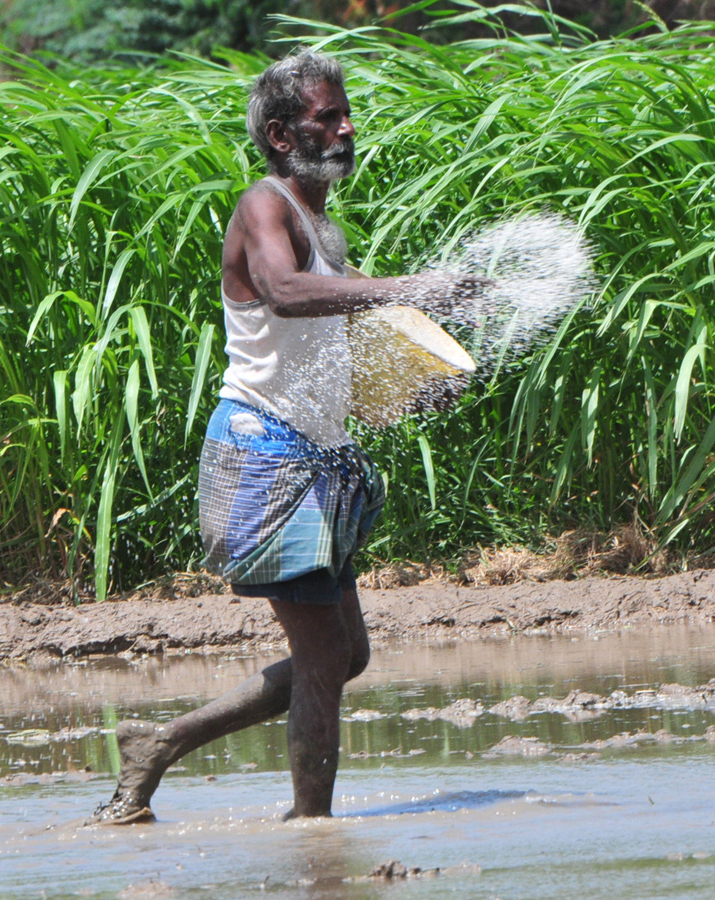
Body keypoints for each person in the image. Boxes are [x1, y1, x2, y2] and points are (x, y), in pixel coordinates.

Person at [90, 49, 482, 824]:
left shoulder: (321, 223)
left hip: (316, 458)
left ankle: (161, 742)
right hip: (266, 458)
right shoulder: (262, 206)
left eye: (344, 113)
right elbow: (286, 293)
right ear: (279, 134)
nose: (345, 127)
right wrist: (416, 284)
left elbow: (329, 339)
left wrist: (421, 376)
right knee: (321, 659)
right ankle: (312, 835)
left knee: (347, 656)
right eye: (325, 117)